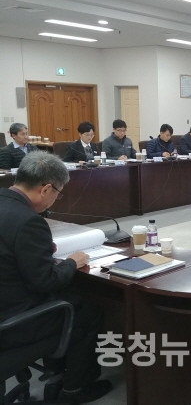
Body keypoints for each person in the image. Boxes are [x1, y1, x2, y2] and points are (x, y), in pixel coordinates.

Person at [0, 152, 111, 403]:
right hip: (11, 323)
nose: (55, 199)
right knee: (86, 314)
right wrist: (72, 262)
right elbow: (45, 282)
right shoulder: (28, 221)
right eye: (58, 193)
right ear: (46, 189)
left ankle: (55, 372)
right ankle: (74, 390)